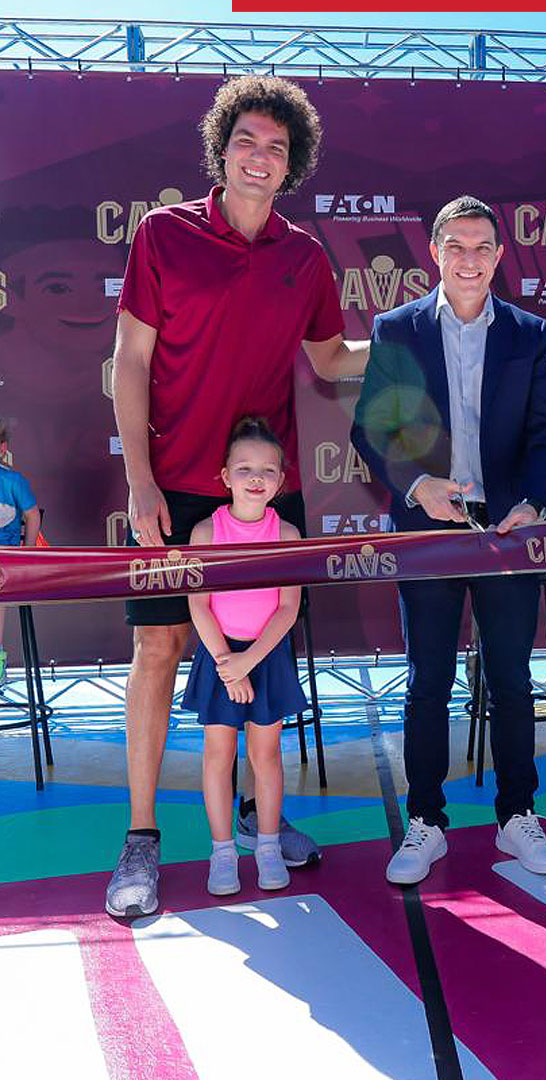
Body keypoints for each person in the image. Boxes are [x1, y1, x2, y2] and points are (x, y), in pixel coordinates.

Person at [106, 75, 370, 919]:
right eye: (248, 141)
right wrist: (141, 480)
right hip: (173, 491)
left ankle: (263, 821)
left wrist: (418, 331)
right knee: (159, 654)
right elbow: (134, 362)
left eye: (278, 147)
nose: (261, 157)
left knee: (265, 659)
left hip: (264, 502)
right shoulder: (164, 233)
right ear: (222, 149)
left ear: (294, 165)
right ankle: (141, 842)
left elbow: (332, 362)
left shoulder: (304, 255)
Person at [351, 194, 546, 885]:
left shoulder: (529, 333)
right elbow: (372, 430)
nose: (469, 261)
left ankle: (517, 817)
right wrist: (417, 486)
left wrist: (533, 502)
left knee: (510, 678)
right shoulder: (397, 329)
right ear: (435, 253)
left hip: (508, 533)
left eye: (482, 248)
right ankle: (425, 822)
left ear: (499, 256)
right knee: (427, 683)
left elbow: (545, 433)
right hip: (426, 533)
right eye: (456, 247)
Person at [183, 418, 305, 895]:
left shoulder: (288, 534)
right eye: (245, 468)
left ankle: (269, 846)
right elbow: (199, 604)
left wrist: (248, 662)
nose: (256, 478)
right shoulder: (205, 533)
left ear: (280, 480)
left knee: (266, 754)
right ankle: (222, 854)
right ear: (225, 476)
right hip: (220, 657)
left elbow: (288, 607)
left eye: (267, 470)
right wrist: (225, 662)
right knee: (218, 756)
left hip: (265, 657)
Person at [0, 421, 42, 682]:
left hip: (6, 557)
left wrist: (28, 554)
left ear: (2, 449)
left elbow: (32, 516)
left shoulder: (12, 479)